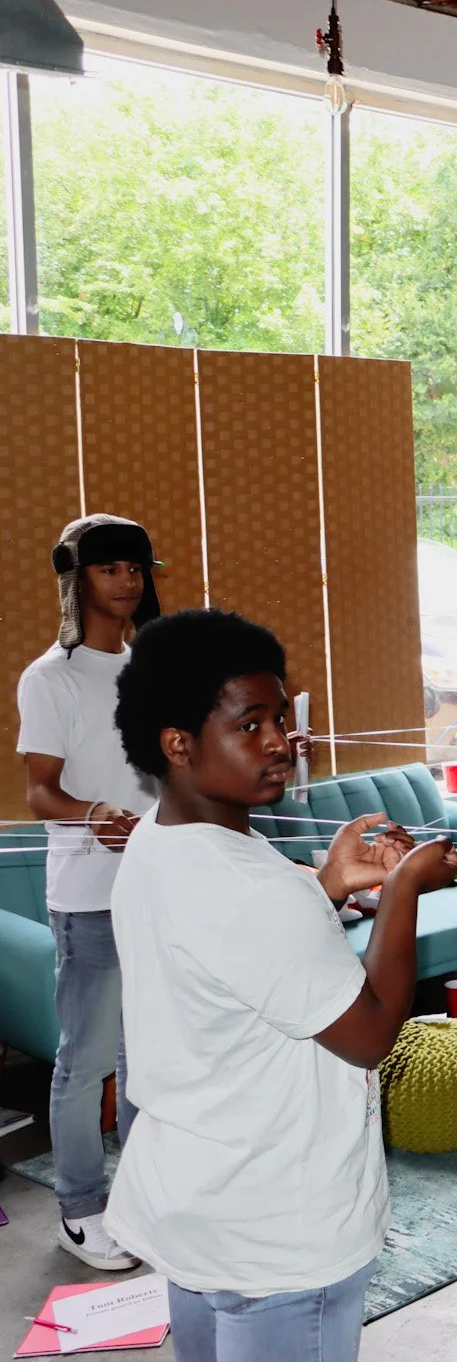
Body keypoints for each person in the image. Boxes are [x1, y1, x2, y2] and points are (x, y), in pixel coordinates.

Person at [106, 610, 457, 1362]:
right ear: (178, 743)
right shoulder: (245, 883)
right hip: (278, 1226)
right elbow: (367, 1035)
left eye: (281, 716)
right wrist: (403, 891)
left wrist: (328, 884)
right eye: (251, 723)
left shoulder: (157, 839)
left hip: (200, 1202)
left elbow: (230, 961)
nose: (280, 741)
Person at [15, 515, 161, 1271]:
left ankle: (140, 1194)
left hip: (154, 891)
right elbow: (40, 790)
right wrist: (92, 814)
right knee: (87, 1061)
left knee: (149, 1055)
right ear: (79, 578)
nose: (129, 579)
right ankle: (80, 1207)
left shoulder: (149, 671)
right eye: (112, 567)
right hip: (87, 898)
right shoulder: (50, 677)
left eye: (137, 567)